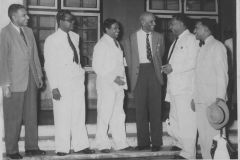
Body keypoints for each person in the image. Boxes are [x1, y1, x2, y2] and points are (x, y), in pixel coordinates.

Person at [44, 10, 95, 156]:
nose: (72, 23)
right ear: (59, 21)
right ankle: (62, 147)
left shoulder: (75, 36)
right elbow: (49, 65)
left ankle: (81, 145)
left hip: (77, 81)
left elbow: (76, 58)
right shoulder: (51, 40)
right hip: (62, 82)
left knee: (79, 114)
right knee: (62, 114)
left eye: (73, 20)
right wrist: (54, 87)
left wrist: (80, 73)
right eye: (69, 20)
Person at [0, 4, 46, 159]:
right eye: (24, 15)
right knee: (13, 117)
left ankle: (32, 147)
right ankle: (12, 150)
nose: (28, 17)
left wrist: (39, 75)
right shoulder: (4, 33)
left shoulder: (29, 31)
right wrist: (5, 84)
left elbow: (35, 56)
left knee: (31, 115)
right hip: (14, 82)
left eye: (27, 15)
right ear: (14, 17)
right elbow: (2, 60)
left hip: (31, 79)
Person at [123, 12, 164, 152]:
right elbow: (129, 58)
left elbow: (161, 55)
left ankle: (157, 142)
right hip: (138, 73)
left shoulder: (159, 37)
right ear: (142, 22)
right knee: (140, 110)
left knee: (156, 109)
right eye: (151, 22)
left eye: (154, 21)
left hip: (154, 72)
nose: (154, 24)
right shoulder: (131, 38)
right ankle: (143, 142)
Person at [162, 14, 199, 159]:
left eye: (173, 24)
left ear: (182, 24)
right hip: (174, 88)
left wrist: (173, 67)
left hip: (185, 89)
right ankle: (181, 145)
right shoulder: (175, 41)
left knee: (187, 121)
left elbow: (194, 61)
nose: (170, 27)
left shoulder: (191, 39)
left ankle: (189, 154)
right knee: (175, 119)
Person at [92, 18, 132, 153]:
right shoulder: (101, 44)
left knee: (119, 114)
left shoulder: (117, 44)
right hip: (107, 85)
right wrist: (114, 79)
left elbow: (120, 64)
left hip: (119, 85)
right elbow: (97, 67)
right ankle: (101, 143)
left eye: (118, 28)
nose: (118, 31)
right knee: (104, 113)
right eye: (114, 28)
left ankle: (120, 142)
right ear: (106, 29)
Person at [193, 18, 228, 159]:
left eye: (197, 27)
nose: (194, 30)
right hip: (201, 100)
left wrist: (219, 100)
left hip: (213, 102)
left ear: (206, 29)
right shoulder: (202, 47)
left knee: (215, 139)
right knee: (203, 138)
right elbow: (198, 76)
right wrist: (194, 98)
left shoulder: (217, 46)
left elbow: (222, 74)